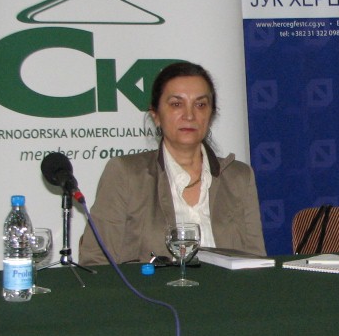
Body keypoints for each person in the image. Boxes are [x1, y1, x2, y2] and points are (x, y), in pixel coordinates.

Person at [79, 61, 265, 264]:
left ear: (211, 115)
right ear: (156, 115)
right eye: (176, 104)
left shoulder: (239, 177)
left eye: (200, 105)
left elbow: (256, 263)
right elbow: (95, 261)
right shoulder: (126, 174)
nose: (189, 115)